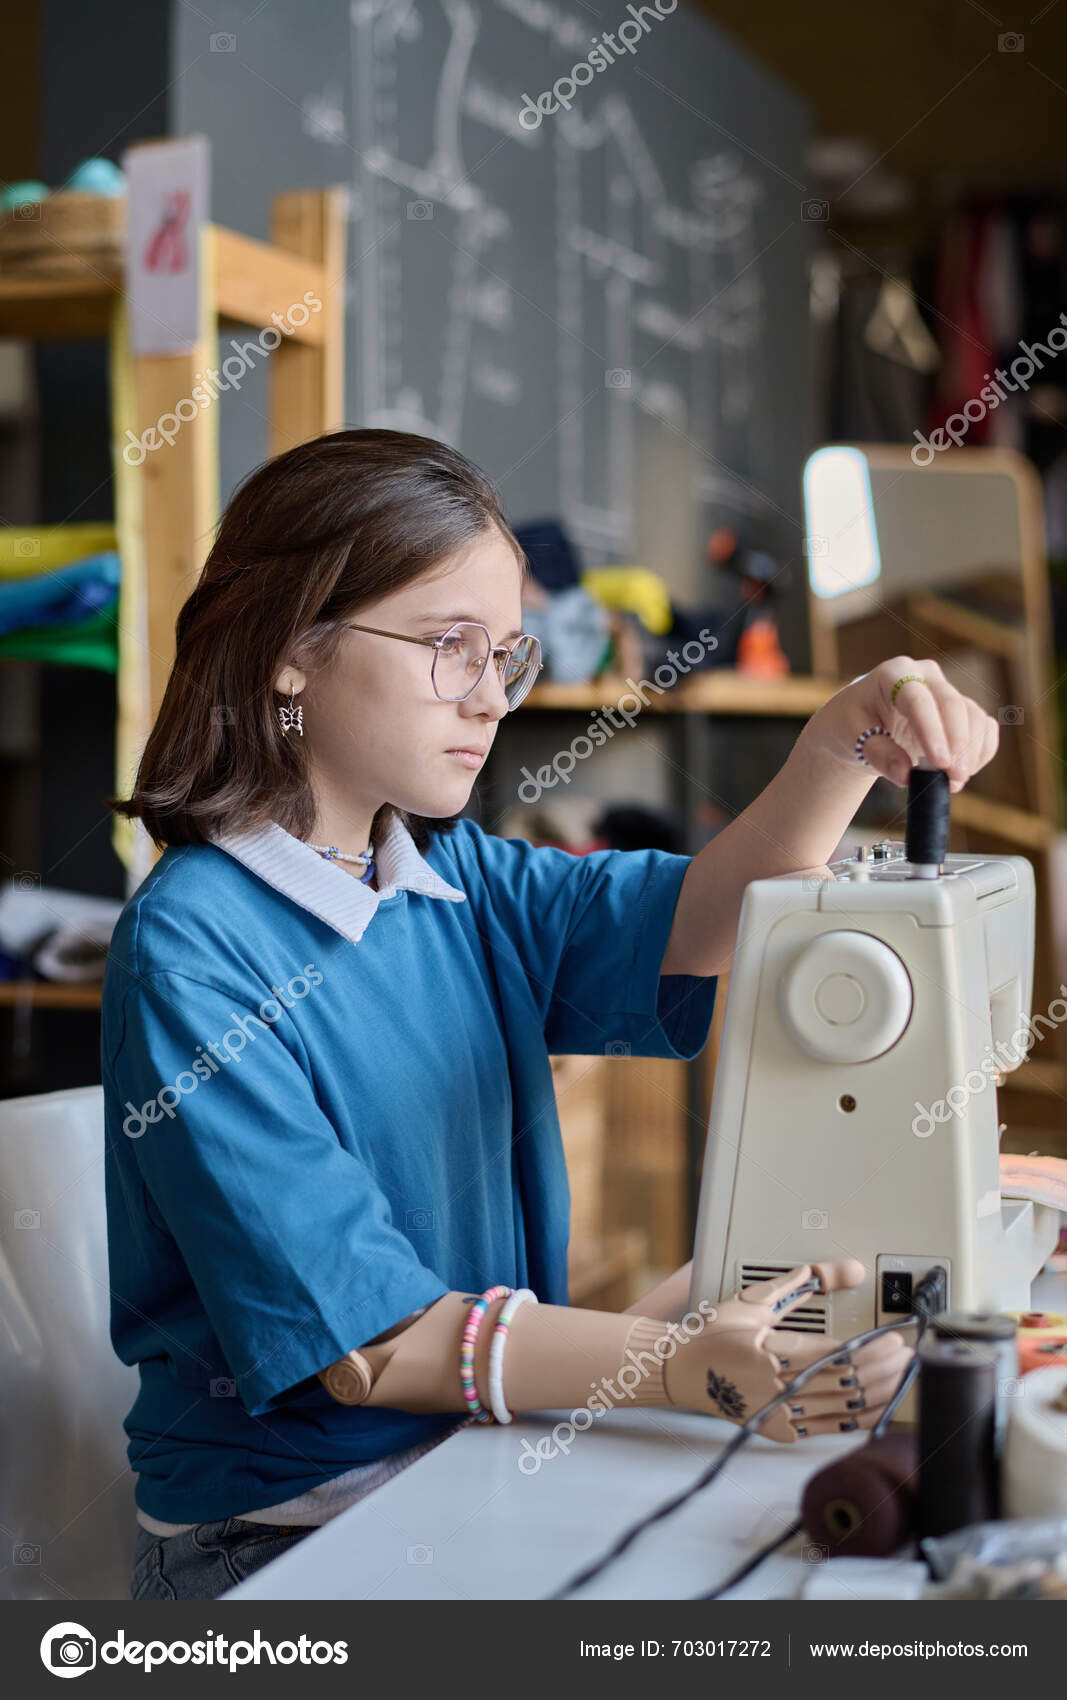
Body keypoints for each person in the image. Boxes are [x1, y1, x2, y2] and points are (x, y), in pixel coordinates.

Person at [104, 428, 999, 1600]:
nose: (489, 697)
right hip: (280, 1541)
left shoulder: (450, 878)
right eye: (446, 647)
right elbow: (371, 1348)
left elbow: (707, 917)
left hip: (468, 1461)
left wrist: (843, 741)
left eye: (505, 655)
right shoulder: (192, 947)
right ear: (289, 649)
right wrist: (674, 1363)